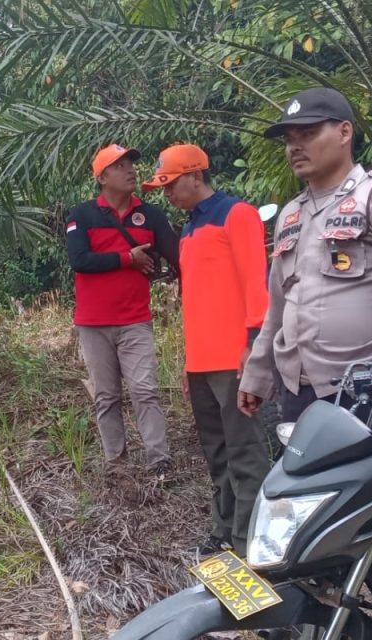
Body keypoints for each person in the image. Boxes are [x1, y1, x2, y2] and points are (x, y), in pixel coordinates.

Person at [238, 88, 372, 447]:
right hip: (299, 393)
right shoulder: (290, 214)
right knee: (307, 499)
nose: (295, 147)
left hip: (370, 388)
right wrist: (256, 373)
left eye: (308, 134)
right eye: (289, 140)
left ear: (345, 132)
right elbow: (279, 304)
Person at [142, 144, 271, 555]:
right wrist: (186, 363)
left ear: (196, 176)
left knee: (246, 452)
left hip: (235, 361)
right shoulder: (189, 230)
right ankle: (223, 530)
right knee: (216, 454)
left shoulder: (237, 215)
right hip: (202, 364)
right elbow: (194, 302)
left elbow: (257, 285)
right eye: (161, 187)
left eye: (170, 184)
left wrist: (253, 346)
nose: (166, 194)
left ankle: (248, 540)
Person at [66, 144, 180, 479]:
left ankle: (160, 461)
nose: (130, 170)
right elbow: (80, 261)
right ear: (102, 177)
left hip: (135, 320)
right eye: (120, 166)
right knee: (107, 396)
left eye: (131, 164)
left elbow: (177, 256)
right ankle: (116, 463)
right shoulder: (81, 215)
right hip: (93, 323)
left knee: (145, 390)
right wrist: (126, 259)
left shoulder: (151, 215)